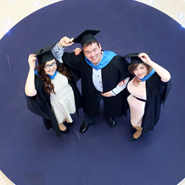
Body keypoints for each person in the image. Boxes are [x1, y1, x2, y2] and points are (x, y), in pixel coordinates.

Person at [52, 30, 131, 133]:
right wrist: (60, 45)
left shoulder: (115, 61)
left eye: (94, 50)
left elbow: (128, 76)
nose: (93, 55)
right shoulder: (81, 59)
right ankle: (88, 120)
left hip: (110, 90)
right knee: (89, 106)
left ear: (99, 46)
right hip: (92, 90)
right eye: (87, 52)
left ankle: (110, 116)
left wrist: (114, 91)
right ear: (83, 52)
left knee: (111, 105)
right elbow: (59, 57)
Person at [25, 38, 82, 137]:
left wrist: (60, 44)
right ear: (42, 67)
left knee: (67, 111)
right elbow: (30, 93)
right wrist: (31, 68)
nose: (51, 68)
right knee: (59, 116)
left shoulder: (59, 67)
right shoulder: (38, 78)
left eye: (53, 63)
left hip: (67, 98)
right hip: (56, 105)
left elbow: (58, 53)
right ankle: (60, 124)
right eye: (47, 66)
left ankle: (67, 118)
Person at [123, 52, 171, 141]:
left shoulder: (153, 80)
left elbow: (167, 77)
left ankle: (139, 131)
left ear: (147, 66)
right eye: (135, 69)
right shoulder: (134, 76)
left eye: (142, 67)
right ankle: (135, 126)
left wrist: (149, 61)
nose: (139, 72)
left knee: (139, 123)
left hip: (143, 108)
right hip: (133, 104)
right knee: (133, 119)